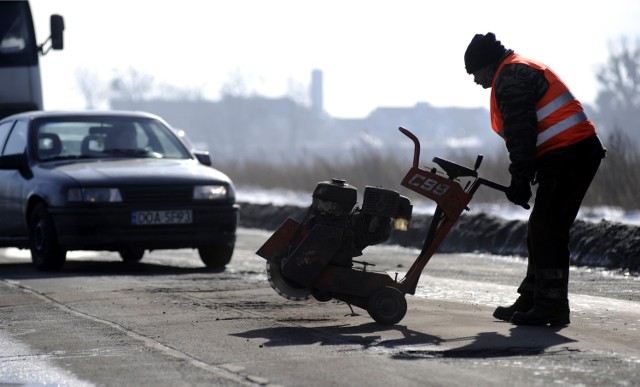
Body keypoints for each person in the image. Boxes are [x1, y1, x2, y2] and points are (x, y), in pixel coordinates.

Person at [464, 32, 606, 326]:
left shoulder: (512, 78)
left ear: (487, 65)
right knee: (540, 227)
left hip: (572, 155)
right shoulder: (515, 68)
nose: (475, 81)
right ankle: (532, 298)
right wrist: (523, 178)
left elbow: (521, 135)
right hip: (568, 155)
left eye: (474, 73)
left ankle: (552, 305)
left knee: (548, 228)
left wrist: (520, 181)